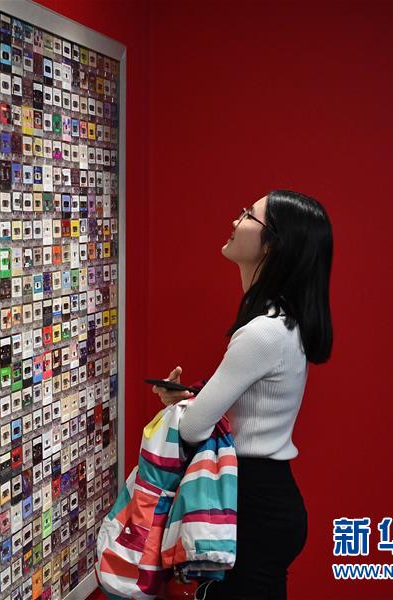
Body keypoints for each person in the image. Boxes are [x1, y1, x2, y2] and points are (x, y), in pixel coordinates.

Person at [152, 189, 334, 599]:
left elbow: (193, 428)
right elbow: (249, 408)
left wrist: (188, 409)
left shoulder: (261, 332)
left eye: (248, 215)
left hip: (252, 503)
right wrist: (191, 398)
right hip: (268, 497)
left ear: (273, 245)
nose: (235, 222)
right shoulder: (282, 322)